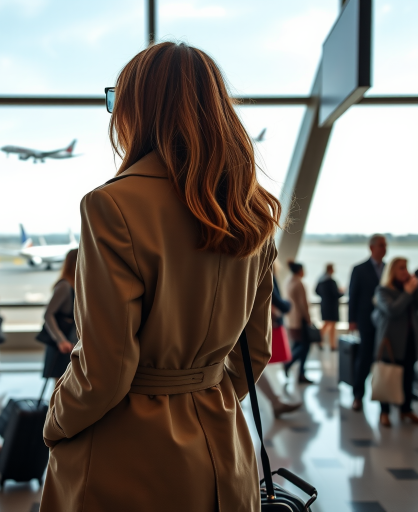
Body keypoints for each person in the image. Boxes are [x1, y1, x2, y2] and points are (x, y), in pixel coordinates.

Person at [40, 42, 281, 512]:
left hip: (126, 451)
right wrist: (201, 386)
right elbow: (255, 351)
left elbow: (104, 369)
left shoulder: (111, 205)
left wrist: (55, 421)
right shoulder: (254, 211)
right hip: (224, 444)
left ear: (135, 109)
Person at [372, 258, 418, 427]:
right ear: (392, 271)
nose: (405, 272)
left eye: (406, 268)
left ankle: (406, 409)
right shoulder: (383, 290)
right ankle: (384, 412)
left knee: (407, 376)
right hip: (390, 342)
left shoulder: (412, 290)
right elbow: (393, 310)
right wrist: (407, 293)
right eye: (401, 268)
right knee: (387, 375)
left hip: (409, 340)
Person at [349, 234, 387, 411]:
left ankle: (385, 397)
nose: (384, 248)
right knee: (364, 358)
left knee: (385, 359)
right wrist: (352, 321)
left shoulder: (389, 269)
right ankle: (358, 396)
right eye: (381, 245)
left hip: (386, 324)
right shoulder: (359, 269)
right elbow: (353, 296)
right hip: (365, 321)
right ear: (371, 248)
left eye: (385, 245)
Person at [257, 274, 301, 417]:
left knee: (251, 366)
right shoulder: (265, 266)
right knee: (252, 365)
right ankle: (275, 403)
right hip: (252, 324)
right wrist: (288, 305)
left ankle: (275, 402)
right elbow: (274, 296)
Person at [42, 249, 78, 380]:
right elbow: (48, 314)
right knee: (61, 386)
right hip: (63, 345)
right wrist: (61, 340)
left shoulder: (78, 285)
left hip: (72, 343)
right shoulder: (65, 286)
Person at [284, 261, 314, 384]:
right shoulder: (299, 283)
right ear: (299, 270)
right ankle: (290, 364)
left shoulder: (288, 281)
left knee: (297, 345)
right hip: (299, 319)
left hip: (291, 319)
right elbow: (303, 304)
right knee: (305, 346)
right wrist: (308, 319)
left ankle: (300, 373)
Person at [316, 263, 344, 351]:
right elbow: (336, 294)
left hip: (324, 304)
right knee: (331, 325)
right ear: (330, 269)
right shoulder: (332, 282)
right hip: (332, 306)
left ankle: (320, 341)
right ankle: (332, 344)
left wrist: (324, 296)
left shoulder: (321, 280)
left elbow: (316, 291)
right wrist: (342, 292)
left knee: (326, 324)